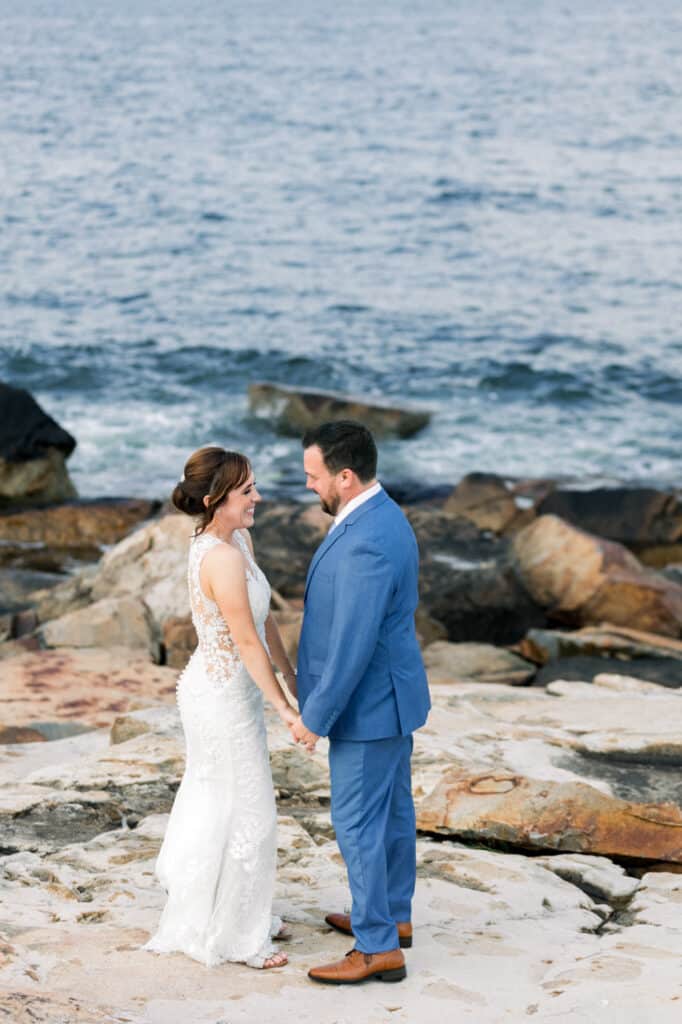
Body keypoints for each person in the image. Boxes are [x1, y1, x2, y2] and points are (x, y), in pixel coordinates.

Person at [144, 446, 298, 970]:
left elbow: (266, 621)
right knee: (248, 808)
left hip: (233, 690)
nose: (258, 497)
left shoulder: (237, 540)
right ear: (215, 500)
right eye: (247, 490)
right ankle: (234, 937)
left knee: (228, 802)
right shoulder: (220, 557)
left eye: (254, 485)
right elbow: (246, 643)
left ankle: (231, 910)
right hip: (220, 698)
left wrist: (291, 674)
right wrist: (286, 710)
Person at [290, 421, 431, 985]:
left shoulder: (367, 539)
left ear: (345, 477)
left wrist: (314, 717)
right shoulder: (383, 514)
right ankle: (393, 917)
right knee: (392, 815)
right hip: (393, 699)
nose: (308, 487)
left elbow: (352, 642)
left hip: (369, 707)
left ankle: (376, 948)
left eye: (314, 476)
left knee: (357, 823)